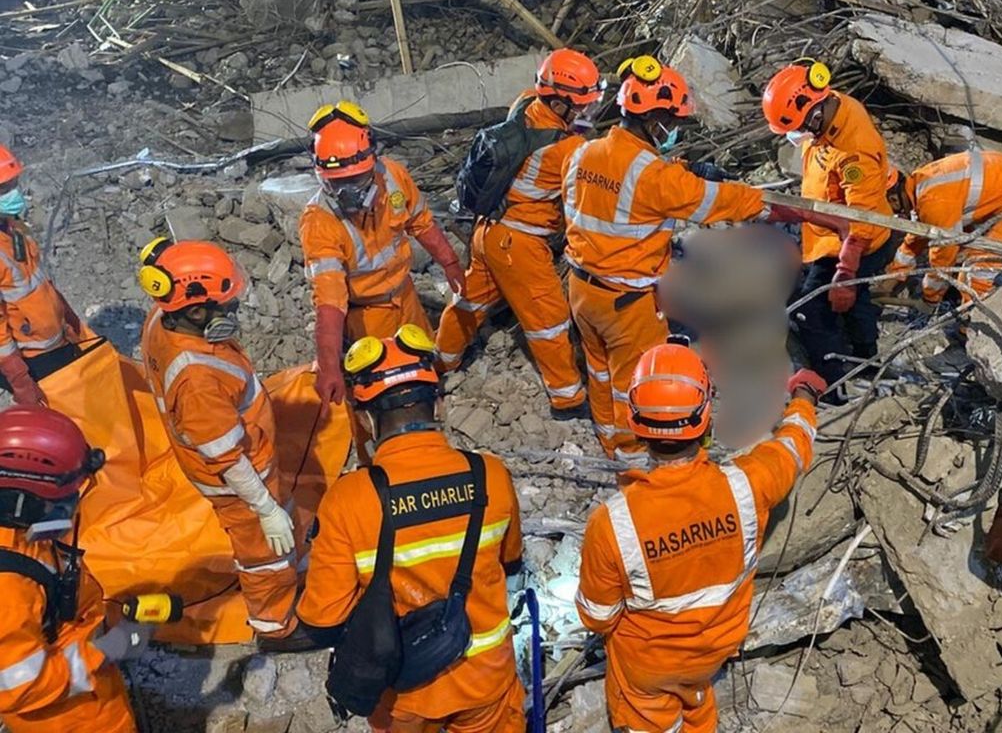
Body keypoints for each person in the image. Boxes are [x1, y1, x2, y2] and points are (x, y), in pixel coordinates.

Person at [563, 54, 805, 463]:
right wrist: (767, 203)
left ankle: (610, 439)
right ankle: (633, 455)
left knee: (599, 371)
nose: (672, 129)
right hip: (628, 301)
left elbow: (620, 188)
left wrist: (679, 169)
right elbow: (719, 202)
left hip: (582, 288)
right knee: (632, 381)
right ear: (653, 117)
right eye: (671, 121)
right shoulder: (657, 178)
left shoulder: (584, 153)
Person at [575, 342, 824, 732]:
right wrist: (805, 397)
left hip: (648, 669)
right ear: (705, 420)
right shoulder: (747, 484)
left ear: (636, 422)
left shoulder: (613, 524)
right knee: (696, 702)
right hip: (714, 652)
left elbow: (597, 616)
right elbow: (791, 448)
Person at [298, 324, 525, 733]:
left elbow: (322, 619)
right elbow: (510, 563)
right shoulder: (489, 475)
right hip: (486, 677)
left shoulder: (350, 499)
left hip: (404, 691)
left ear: (367, 419)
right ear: (437, 406)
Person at [138, 238, 310, 651]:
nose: (232, 312)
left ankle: (291, 564)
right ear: (196, 309)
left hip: (247, 462)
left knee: (282, 534)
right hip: (240, 485)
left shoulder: (163, 321)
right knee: (263, 554)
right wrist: (265, 508)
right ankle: (276, 628)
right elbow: (228, 459)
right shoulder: (197, 381)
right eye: (225, 305)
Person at [435, 49, 604, 420]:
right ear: (559, 104)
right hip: (520, 245)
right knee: (549, 321)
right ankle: (568, 399)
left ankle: (441, 363)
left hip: (488, 231)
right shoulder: (567, 150)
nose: (586, 114)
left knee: (468, 304)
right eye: (581, 106)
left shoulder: (524, 104)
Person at [301, 102, 467, 416]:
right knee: (382, 389)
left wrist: (449, 262)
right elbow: (329, 302)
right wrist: (328, 366)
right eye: (336, 184)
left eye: (356, 180)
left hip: (406, 298)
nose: (348, 192)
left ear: (372, 161)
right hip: (366, 316)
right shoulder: (320, 221)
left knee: (424, 363)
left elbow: (421, 222)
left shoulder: (392, 176)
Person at [0, 405, 152, 732]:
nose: (72, 506)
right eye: (67, 498)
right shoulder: (7, 589)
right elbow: (20, 686)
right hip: (68, 719)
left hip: (86, 690)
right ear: (27, 498)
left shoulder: (20, 533)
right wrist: (106, 651)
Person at [762, 60, 895, 395]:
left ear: (814, 111)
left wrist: (845, 273)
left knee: (815, 307)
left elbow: (862, 219)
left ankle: (833, 382)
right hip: (829, 232)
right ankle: (866, 359)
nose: (797, 137)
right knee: (853, 306)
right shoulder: (830, 108)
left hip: (854, 241)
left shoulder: (854, 152)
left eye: (798, 127)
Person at [882, 150, 1002, 304]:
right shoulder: (921, 182)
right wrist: (894, 274)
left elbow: (943, 256)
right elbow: (920, 233)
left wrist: (931, 298)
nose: (896, 215)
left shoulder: (935, 202)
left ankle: (970, 328)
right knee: (965, 248)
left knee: (977, 267)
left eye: (892, 210)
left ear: (893, 199)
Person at [0, 144, 85, 406]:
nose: (14, 193)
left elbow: (40, 282)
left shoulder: (13, 227)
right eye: (4, 188)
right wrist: (20, 379)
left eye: (14, 183)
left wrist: (70, 319)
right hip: (31, 357)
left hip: (54, 341)